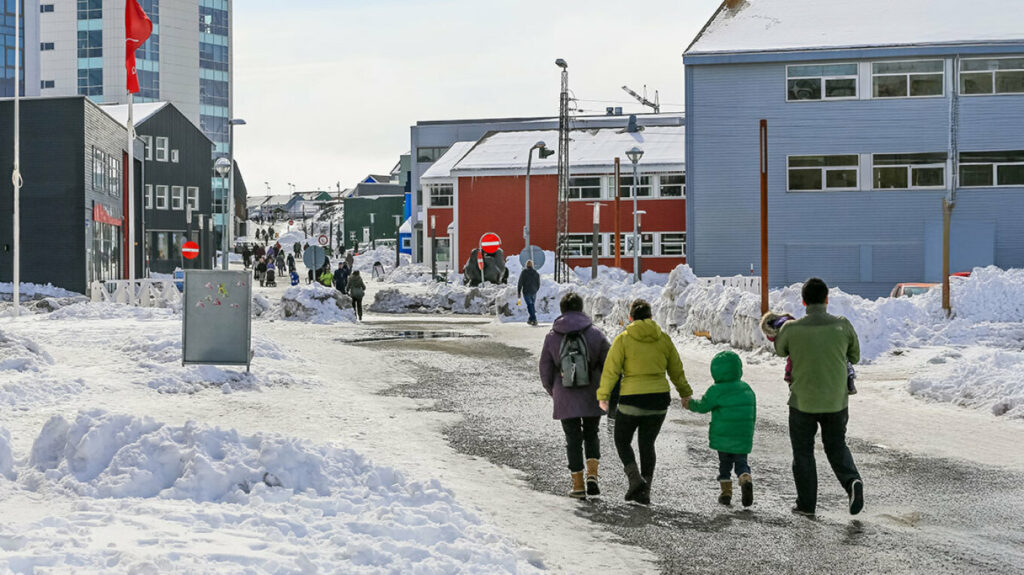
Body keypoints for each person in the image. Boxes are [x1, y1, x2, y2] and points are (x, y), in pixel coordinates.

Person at [775, 277, 863, 517]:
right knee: (836, 446)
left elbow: (780, 349)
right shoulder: (842, 325)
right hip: (836, 401)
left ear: (803, 302)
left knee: (803, 452)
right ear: (827, 299)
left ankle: (806, 504)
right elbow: (854, 356)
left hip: (802, 401)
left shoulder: (791, 329)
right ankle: (852, 481)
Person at [597, 299, 691, 505]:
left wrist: (603, 395)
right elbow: (676, 369)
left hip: (631, 399)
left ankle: (634, 479)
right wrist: (685, 392)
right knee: (647, 444)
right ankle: (645, 489)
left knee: (621, 440)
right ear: (650, 316)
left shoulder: (623, 339)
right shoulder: (663, 338)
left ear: (631, 317)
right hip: (658, 401)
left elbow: (611, 370)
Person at [539, 292, 611, 499]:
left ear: (562, 310)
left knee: (572, 439)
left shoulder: (552, 336)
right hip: (592, 392)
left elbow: (544, 368)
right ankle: (593, 476)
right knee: (591, 433)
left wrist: (553, 390)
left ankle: (578, 485)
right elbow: (609, 363)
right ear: (581, 309)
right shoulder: (595, 334)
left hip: (565, 395)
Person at [687, 351, 757, 507]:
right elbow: (753, 413)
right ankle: (745, 477)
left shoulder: (716, 390)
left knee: (724, 465)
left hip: (723, 437)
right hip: (742, 436)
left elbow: (703, 406)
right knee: (741, 463)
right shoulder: (747, 389)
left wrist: (689, 403)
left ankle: (726, 494)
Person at [761, 312, 858, 395]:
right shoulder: (793, 324)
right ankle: (848, 378)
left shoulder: (785, 333)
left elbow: (789, 358)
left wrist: (789, 375)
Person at [517, 260, 541, 326]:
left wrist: (519, 292)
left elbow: (520, 283)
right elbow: (538, 283)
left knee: (530, 305)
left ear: (526, 265)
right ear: (532, 265)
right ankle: (530, 319)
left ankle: (534, 319)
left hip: (526, 291)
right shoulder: (536, 273)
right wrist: (536, 290)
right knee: (532, 305)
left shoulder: (524, 272)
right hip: (533, 292)